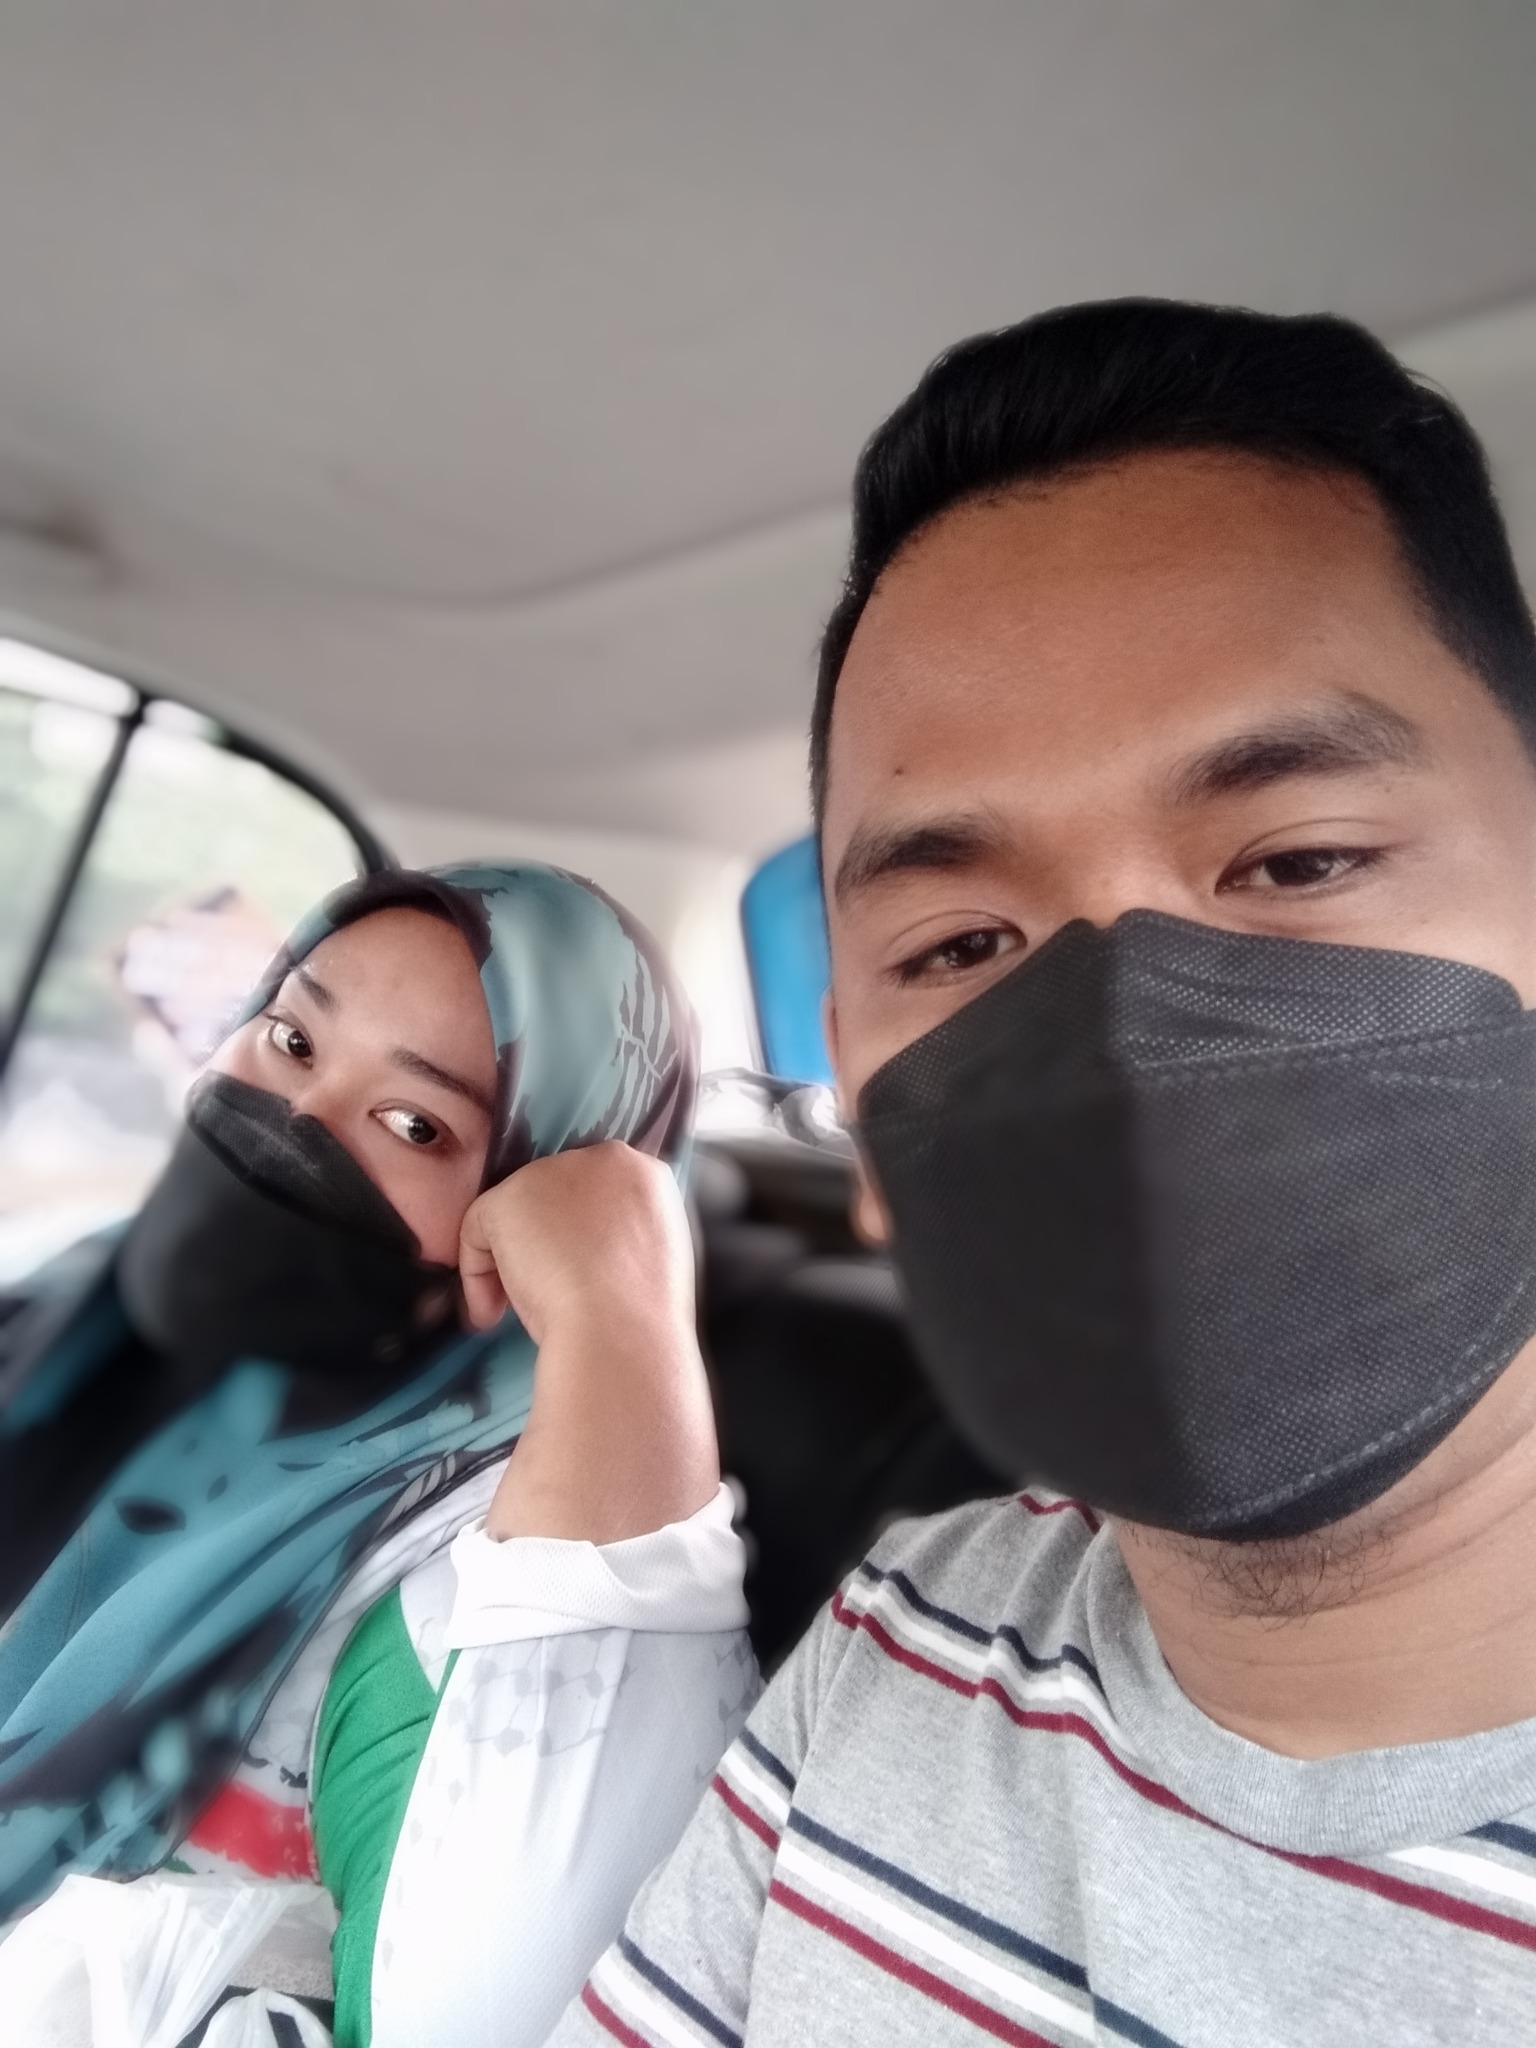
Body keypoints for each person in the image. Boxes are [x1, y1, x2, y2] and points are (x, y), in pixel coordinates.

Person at [544, 300, 1536, 2045]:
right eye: (961, 945)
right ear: (862, 1119)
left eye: (1299, 858)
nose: (1123, 1038)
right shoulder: (902, 1624)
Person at [0, 861, 752, 2045]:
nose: (296, 1118)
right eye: (292, 1036)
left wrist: (617, 1331)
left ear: (532, 1206)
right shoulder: (66, 1324)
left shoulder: (450, 1601)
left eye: (416, 1123)